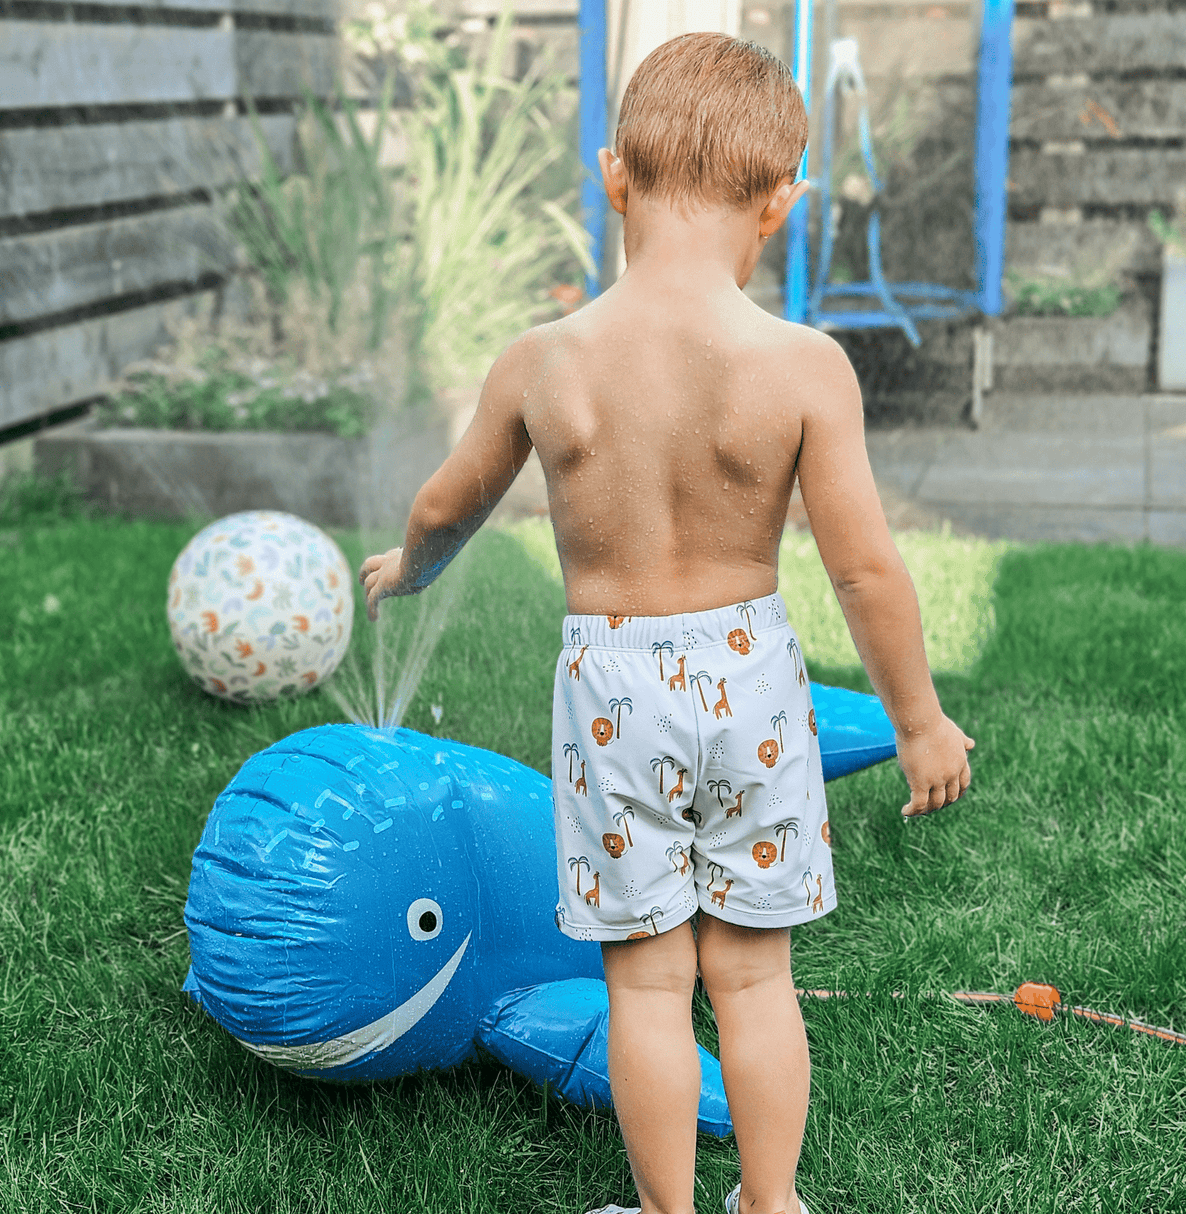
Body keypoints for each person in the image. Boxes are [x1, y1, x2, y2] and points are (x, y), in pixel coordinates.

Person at [360, 31, 974, 1214]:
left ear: (612, 175)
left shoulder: (548, 360)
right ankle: (772, 1200)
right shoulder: (801, 365)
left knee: (644, 988)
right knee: (751, 978)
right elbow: (865, 570)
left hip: (612, 690)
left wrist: (413, 563)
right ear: (780, 199)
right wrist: (917, 718)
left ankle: (664, 1211)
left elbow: (449, 503)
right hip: (749, 678)